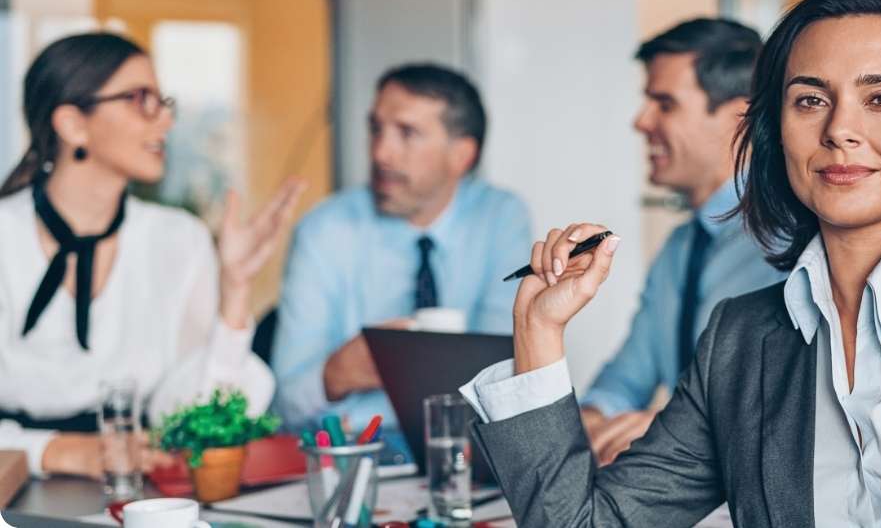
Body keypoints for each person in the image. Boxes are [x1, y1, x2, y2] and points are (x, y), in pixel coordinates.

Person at [459, 0, 881, 526]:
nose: (840, 129)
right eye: (810, 100)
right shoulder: (739, 340)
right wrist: (538, 330)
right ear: (775, 128)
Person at [0, 33, 305, 479]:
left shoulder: (178, 238)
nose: (164, 121)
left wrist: (234, 294)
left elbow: (200, 416)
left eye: (163, 102)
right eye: (140, 100)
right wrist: (56, 451)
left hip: (141, 487)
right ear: (72, 124)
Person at [271, 63, 531, 432]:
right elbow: (284, 404)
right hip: (358, 445)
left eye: (407, 133)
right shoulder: (324, 229)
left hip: (468, 446)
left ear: (461, 156)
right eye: (376, 129)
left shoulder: (500, 217)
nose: (381, 153)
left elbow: (508, 372)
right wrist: (336, 375)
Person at [580, 18, 786, 465]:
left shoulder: (790, 240)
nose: (641, 121)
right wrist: (591, 423)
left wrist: (670, 430)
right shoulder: (679, 248)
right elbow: (625, 381)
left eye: (664, 104)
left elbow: (785, 407)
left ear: (739, 117)